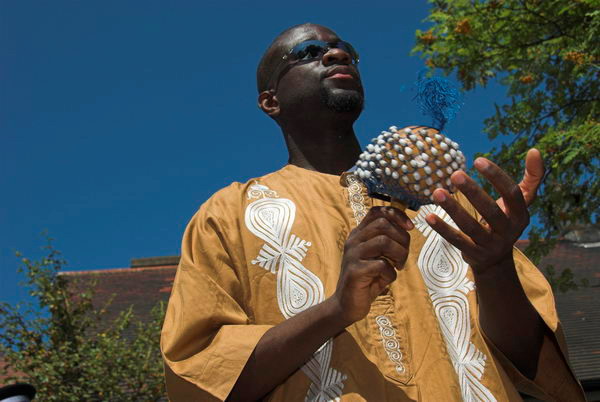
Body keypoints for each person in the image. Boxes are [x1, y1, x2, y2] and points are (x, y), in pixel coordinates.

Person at [160, 23, 584, 401]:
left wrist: (494, 267)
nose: (337, 54)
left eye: (345, 49)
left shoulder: (447, 206)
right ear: (271, 101)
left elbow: (538, 369)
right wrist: (338, 309)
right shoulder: (229, 213)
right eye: (308, 52)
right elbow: (202, 377)